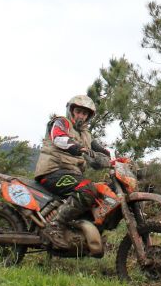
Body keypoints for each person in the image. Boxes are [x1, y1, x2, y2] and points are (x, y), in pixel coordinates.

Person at [34, 95, 111, 252]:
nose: (81, 116)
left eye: (85, 113)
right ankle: (55, 226)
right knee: (87, 189)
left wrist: (114, 160)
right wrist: (78, 148)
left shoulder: (86, 135)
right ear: (71, 111)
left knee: (99, 194)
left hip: (70, 173)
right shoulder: (61, 122)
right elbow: (59, 138)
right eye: (78, 111)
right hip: (52, 171)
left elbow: (102, 151)